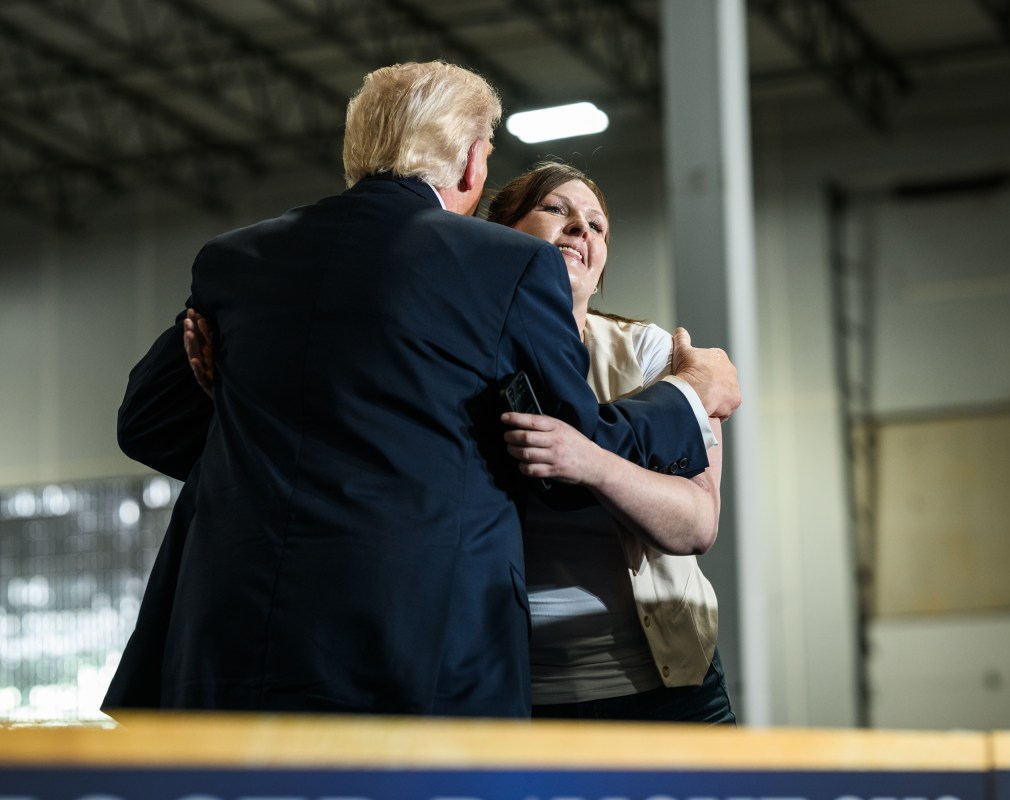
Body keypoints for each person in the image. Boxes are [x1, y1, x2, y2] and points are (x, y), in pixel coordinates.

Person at [102, 60, 739, 719]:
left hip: (236, 642)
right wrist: (690, 393)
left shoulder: (238, 259)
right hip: (416, 647)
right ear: (471, 163)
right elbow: (566, 458)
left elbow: (146, 423)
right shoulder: (503, 265)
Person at [487, 162, 735, 723]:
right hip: (526, 691)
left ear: (599, 273)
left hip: (669, 687)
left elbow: (697, 524)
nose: (581, 228)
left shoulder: (655, 357)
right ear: (499, 237)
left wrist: (591, 463)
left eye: (597, 226)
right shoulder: (465, 356)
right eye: (556, 210)